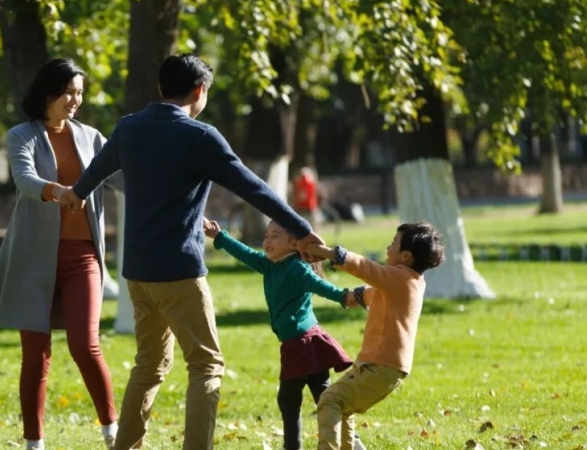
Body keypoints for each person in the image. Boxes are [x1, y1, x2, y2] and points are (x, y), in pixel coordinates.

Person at [59, 53, 325, 450]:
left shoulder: (129, 128)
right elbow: (254, 188)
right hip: (181, 272)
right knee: (206, 366)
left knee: (148, 366)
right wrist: (302, 231)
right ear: (199, 91)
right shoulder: (200, 136)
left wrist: (75, 194)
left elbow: (94, 172)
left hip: (138, 275)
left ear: (161, 88)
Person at [0, 58, 121, 450]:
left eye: (79, 92)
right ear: (48, 94)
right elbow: (25, 179)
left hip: (82, 258)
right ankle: (34, 442)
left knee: (85, 344)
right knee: (36, 357)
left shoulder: (91, 137)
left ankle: (114, 431)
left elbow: (122, 178)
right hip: (33, 258)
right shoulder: (21, 136)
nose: (75, 100)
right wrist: (58, 190)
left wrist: (164, 190)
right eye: (68, 93)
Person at [202, 218, 366, 450]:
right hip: (300, 343)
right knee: (321, 397)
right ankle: (351, 441)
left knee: (291, 401)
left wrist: (344, 297)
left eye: (275, 236)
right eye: (266, 235)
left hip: (303, 344)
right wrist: (219, 237)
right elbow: (246, 254)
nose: (267, 240)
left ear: (293, 244)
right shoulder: (270, 265)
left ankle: (305, 444)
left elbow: (320, 286)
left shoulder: (296, 268)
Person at [307, 221, 445, 450]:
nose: (388, 248)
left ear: (406, 256)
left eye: (393, 243)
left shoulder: (400, 279)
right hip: (380, 366)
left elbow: (366, 269)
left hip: (381, 366)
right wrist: (326, 289)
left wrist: (329, 253)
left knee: (330, 400)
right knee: (342, 404)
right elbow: (362, 296)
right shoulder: (401, 284)